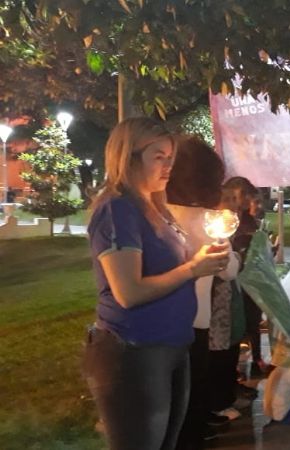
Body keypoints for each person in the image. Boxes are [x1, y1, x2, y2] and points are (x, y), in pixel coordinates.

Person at [84, 118, 231, 450]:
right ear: (129, 157)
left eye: (170, 157)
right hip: (134, 349)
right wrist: (193, 268)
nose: (169, 166)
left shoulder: (155, 207)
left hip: (171, 345)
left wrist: (203, 255)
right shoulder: (118, 210)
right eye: (158, 156)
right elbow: (129, 292)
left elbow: (169, 265)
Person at [166, 136, 240, 446]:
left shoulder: (156, 213)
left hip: (156, 321)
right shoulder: (209, 222)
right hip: (196, 321)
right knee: (191, 400)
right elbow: (231, 270)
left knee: (167, 406)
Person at [223, 176, 268, 375]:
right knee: (234, 329)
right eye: (247, 198)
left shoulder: (250, 222)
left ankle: (253, 362)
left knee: (252, 321)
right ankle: (236, 373)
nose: (253, 204)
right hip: (231, 282)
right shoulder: (223, 220)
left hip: (250, 281)